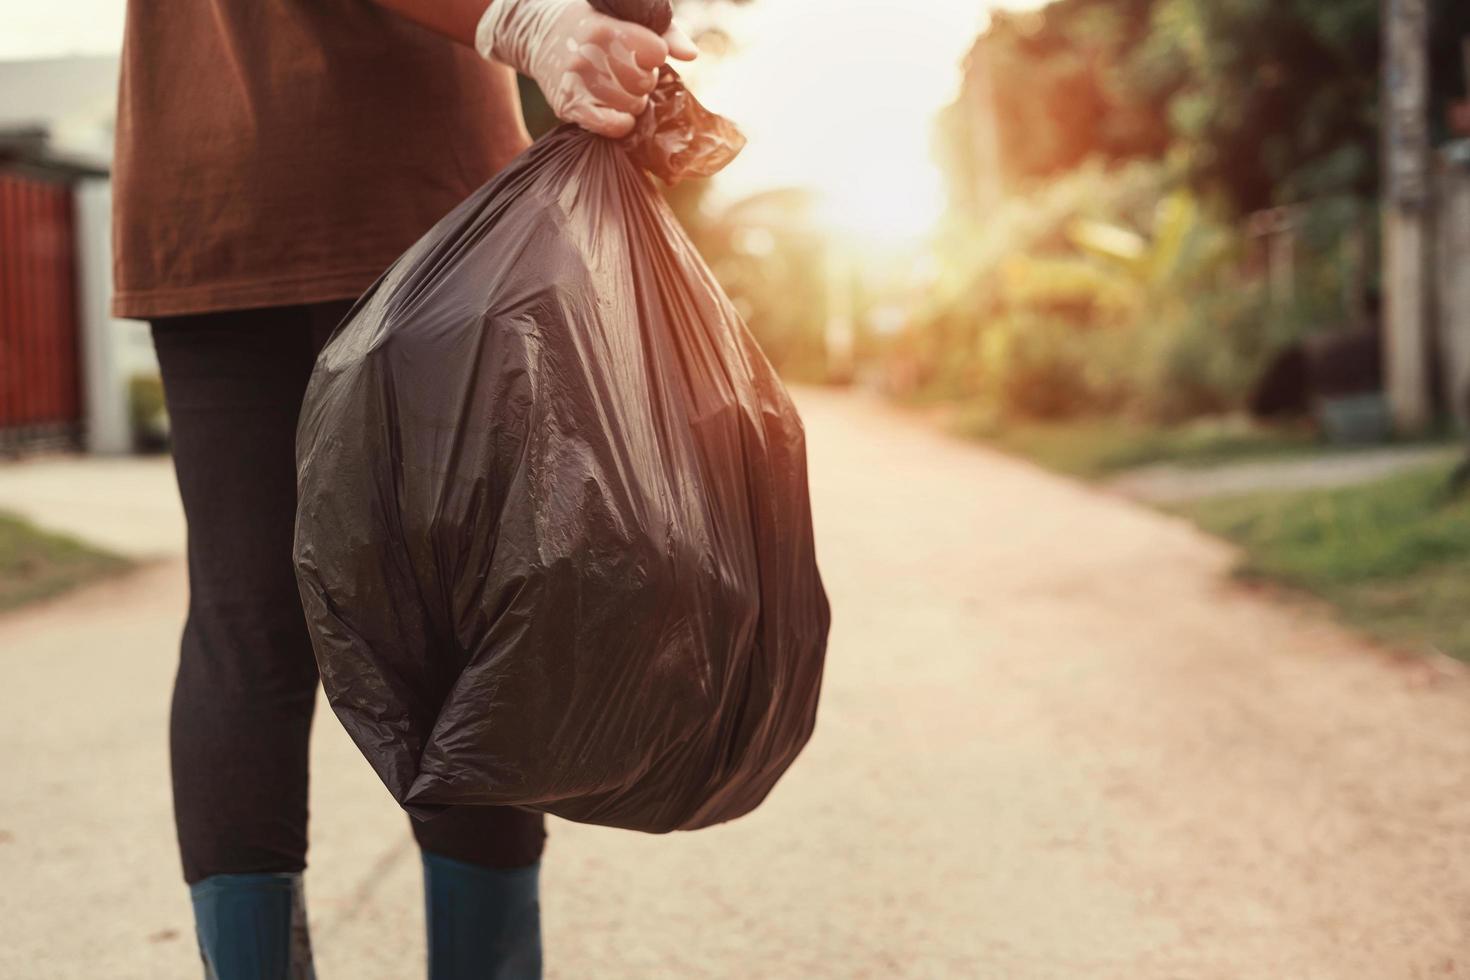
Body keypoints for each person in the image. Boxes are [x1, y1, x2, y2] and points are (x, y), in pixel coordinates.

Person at [111, 1, 696, 976]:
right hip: (420, 198)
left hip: (204, 184)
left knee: (241, 618)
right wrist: (522, 20)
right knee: (467, 612)